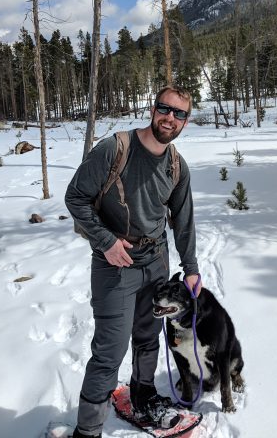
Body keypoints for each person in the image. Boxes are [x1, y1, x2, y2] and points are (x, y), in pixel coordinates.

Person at [65, 85, 201, 438]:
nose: (170, 118)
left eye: (179, 113)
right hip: (115, 266)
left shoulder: (176, 165)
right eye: (164, 109)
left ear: (186, 121)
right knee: (109, 351)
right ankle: (87, 431)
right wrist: (106, 241)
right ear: (152, 109)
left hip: (156, 262)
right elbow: (75, 197)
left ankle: (143, 396)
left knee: (148, 338)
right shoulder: (115, 149)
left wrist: (191, 268)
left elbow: (183, 219)